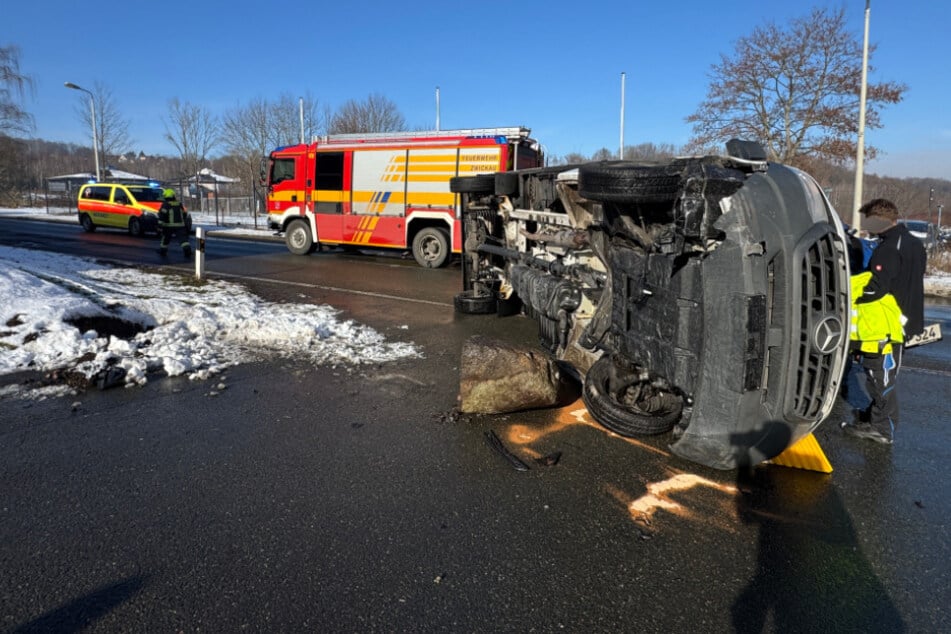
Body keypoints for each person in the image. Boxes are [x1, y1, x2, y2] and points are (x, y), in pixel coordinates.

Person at [842, 198, 926, 445]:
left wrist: (852, 294)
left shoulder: (888, 248)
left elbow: (876, 288)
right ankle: (875, 417)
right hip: (904, 320)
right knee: (880, 375)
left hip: (886, 325)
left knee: (880, 377)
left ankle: (882, 429)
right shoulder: (913, 243)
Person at [157, 188, 192, 257]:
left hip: (168, 226)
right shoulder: (179, 204)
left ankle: (163, 252)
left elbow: (162, 215)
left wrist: (160, 225)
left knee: (165, 240)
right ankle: (187, 250)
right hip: (180, 225)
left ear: (166, 196)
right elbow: (184, 214)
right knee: (183, 240)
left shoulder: (165, 204)